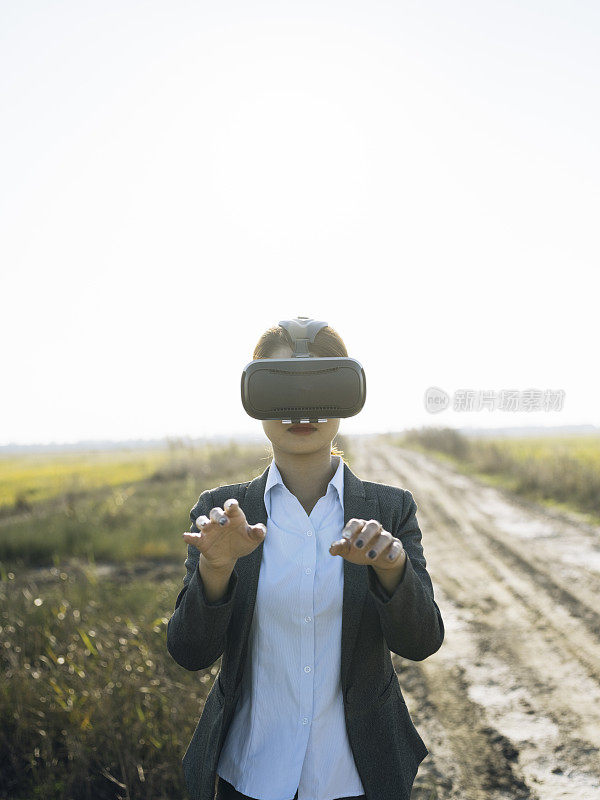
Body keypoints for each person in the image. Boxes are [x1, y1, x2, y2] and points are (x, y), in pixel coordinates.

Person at [167, 322, 444, 800]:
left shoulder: (389, 510)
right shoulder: (224, 512)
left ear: (345, 393)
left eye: (318, 385)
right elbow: (190, 654)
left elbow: (421, 643)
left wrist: (391, 569)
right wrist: (216, 570)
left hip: (357, 776)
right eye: (281, 386)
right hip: (249, 774)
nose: (301, 408)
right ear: (256, 396)